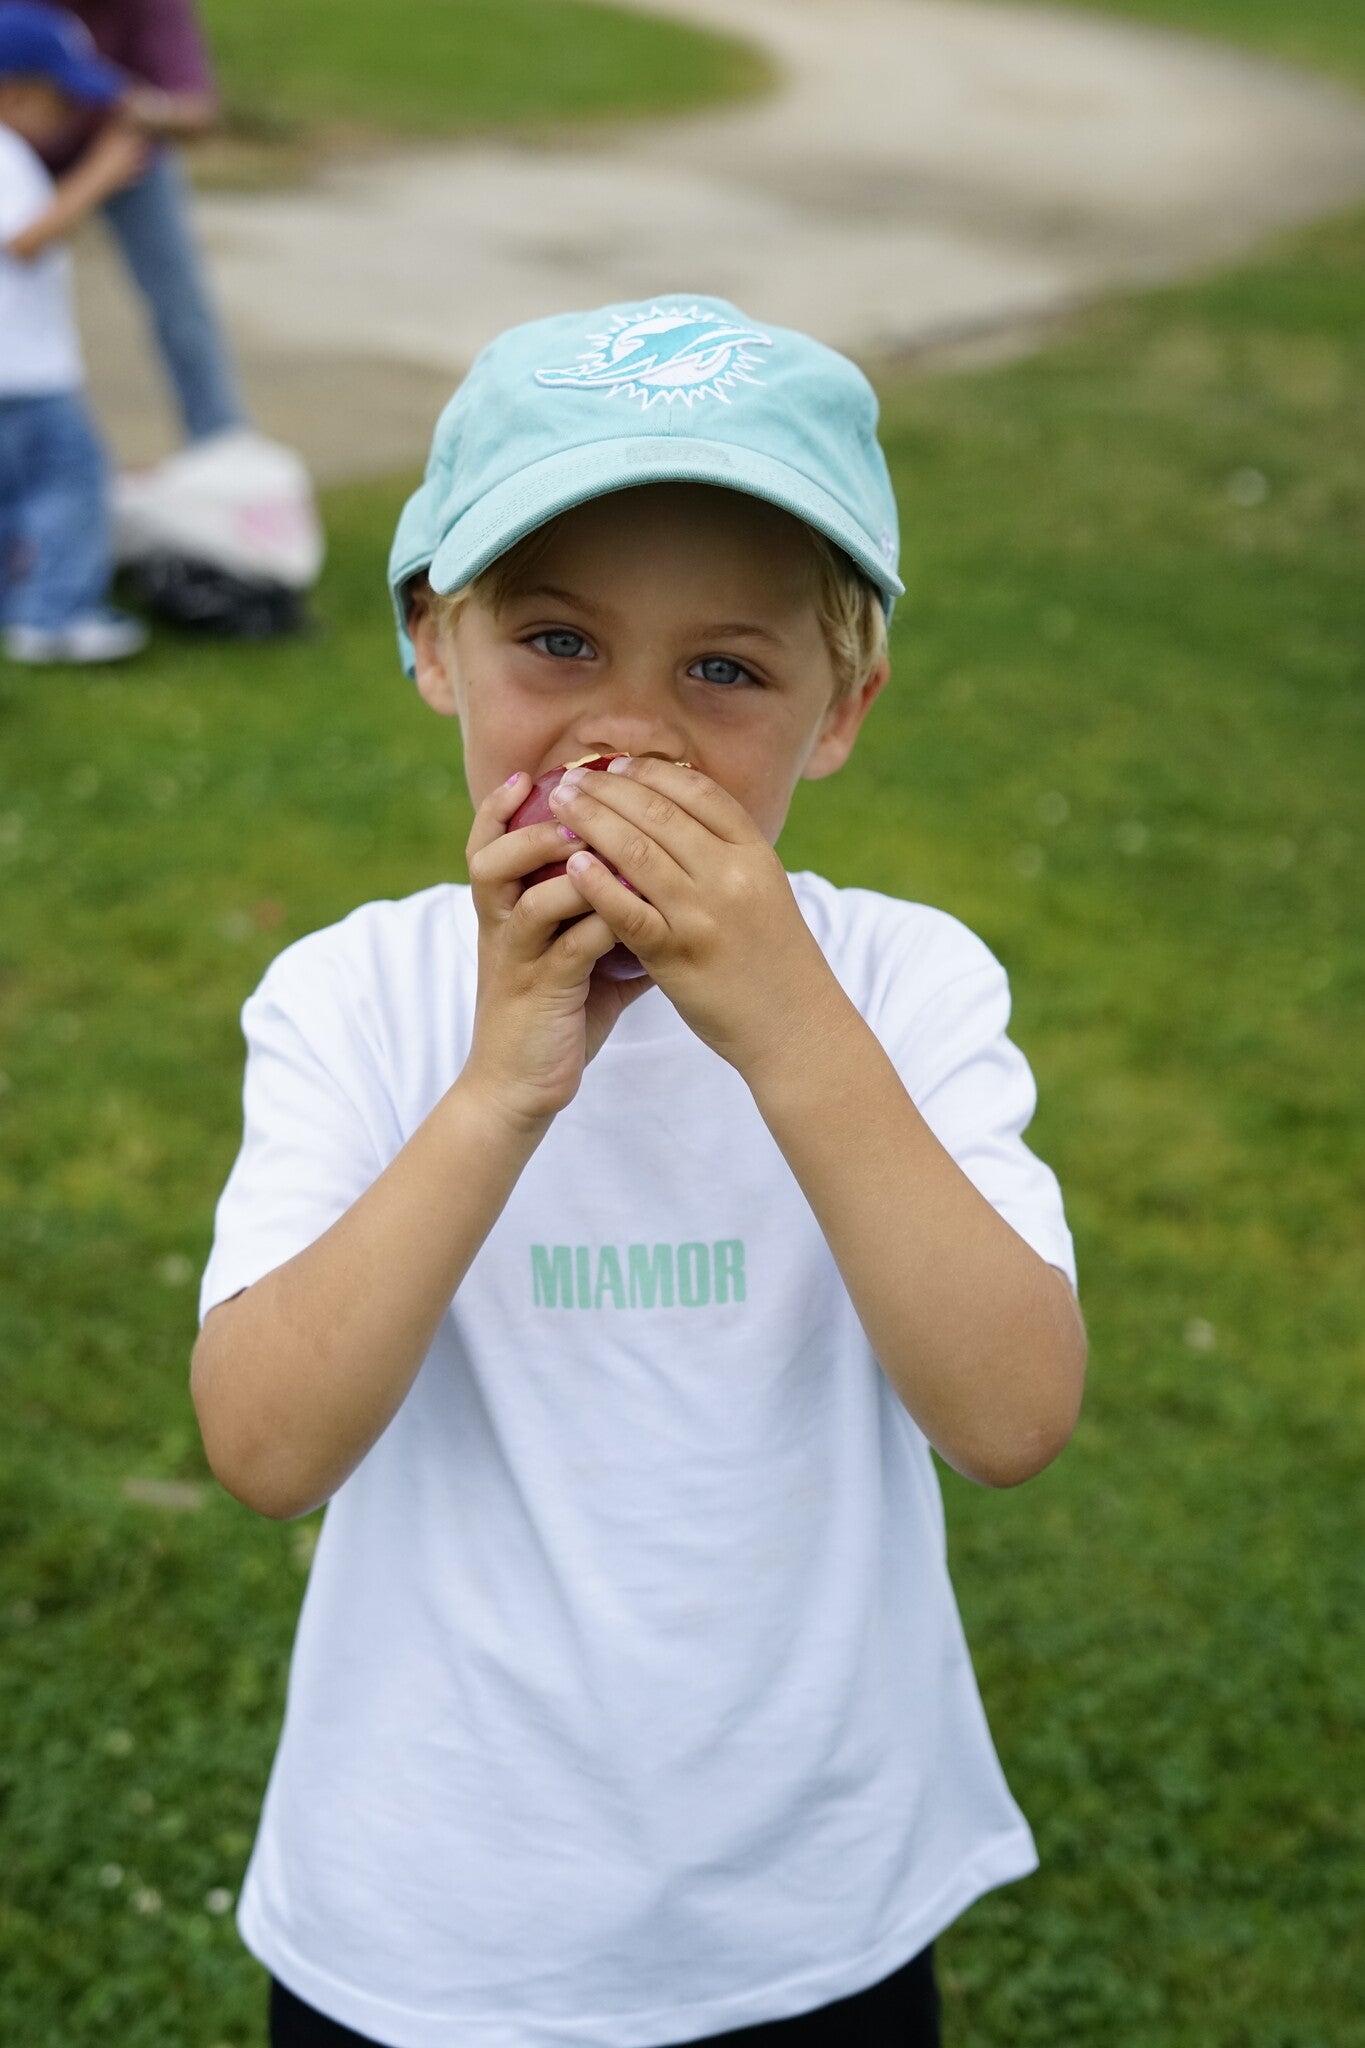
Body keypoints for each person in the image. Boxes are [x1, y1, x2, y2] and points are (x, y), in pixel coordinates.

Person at [192, 296, 1088, 2048]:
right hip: (433, 1918)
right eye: (557, 641)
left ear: (841, 708)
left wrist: (790, 1027)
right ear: (435, 644)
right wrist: (498, 1090)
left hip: (813, 1905)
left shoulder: (903, 986)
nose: (632, 734)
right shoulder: (356, 997)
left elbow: (1010, 1414)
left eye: (725, 671)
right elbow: (268, 1449)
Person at [0, 2, 147, 662]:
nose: (71, 115)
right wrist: (101, 174)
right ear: (14, 92)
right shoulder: (5, 155)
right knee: (73, 483)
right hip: (28, 374)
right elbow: (25, 240)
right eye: (62, 99)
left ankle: (19, 602)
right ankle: (56, 616)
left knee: (13, 497)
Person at [39, 0, 247, 445]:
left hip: (128, 153)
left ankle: (222, 442)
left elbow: (197, 108)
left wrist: (140, 111)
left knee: (179, 302)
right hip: (24, 154)